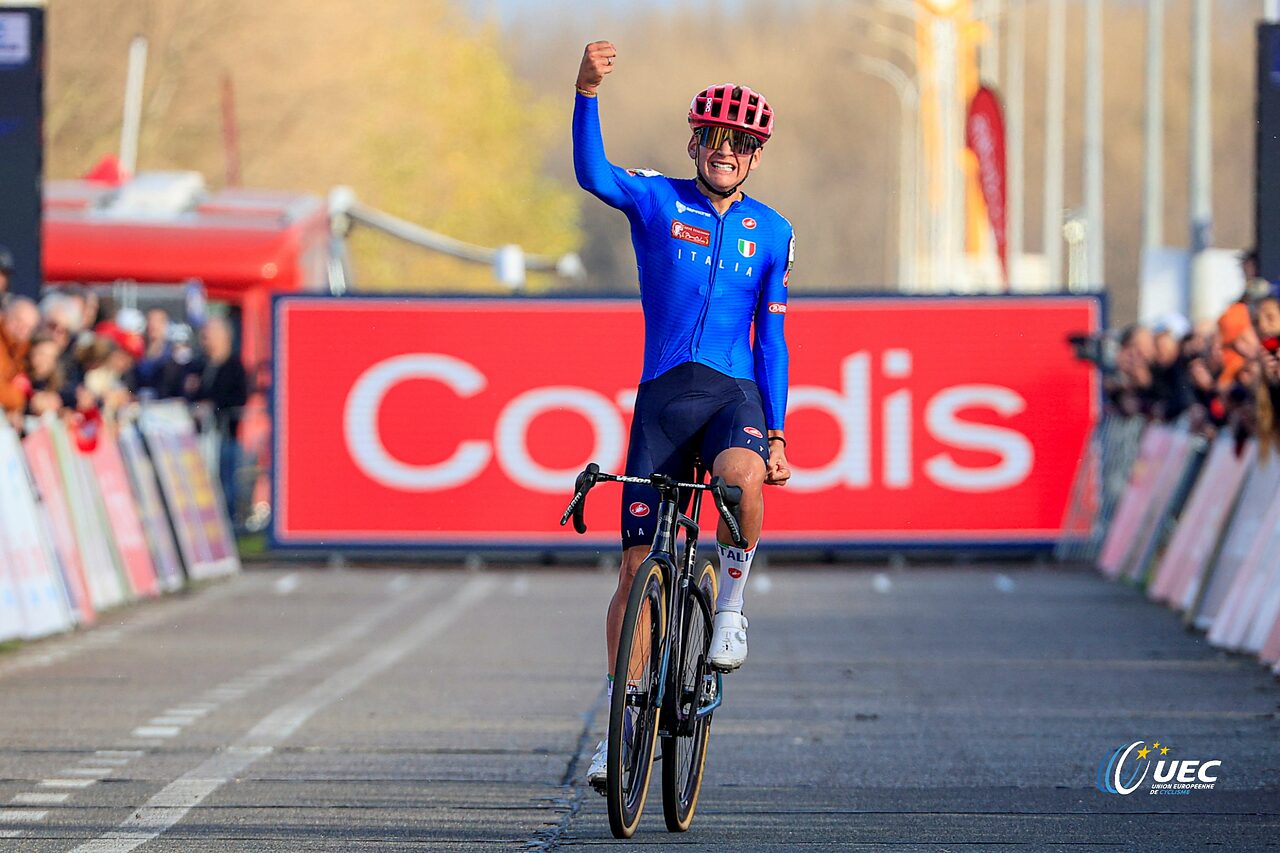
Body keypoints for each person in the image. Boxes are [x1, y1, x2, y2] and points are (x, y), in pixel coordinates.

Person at [572, 41, 793, 788]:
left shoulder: (774, 231)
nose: (726, 151)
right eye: (715, 138)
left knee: (739, 481)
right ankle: (619, 721)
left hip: (735, 397)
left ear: (755, 157)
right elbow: (592, 173)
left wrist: (781, 430)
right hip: (664, 398)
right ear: (694, 142)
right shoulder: (658, 199)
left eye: (741, 143)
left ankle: (730, 602)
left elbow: (774, 334)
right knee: (636, 568)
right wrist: (587, 95)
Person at [186, 316, 248, 525]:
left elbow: (238, 398)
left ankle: (229, 525)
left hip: (225, 434)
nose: (205, 341)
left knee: (226, 481)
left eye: (209, 335)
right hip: (203, 436)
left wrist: (213, 406)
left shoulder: (234, 366)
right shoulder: (200, 366)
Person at [0, 297, 40, 426]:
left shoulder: (21, 351)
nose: (21, 329)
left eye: (28, 327)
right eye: (18, 321)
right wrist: (18, 398)